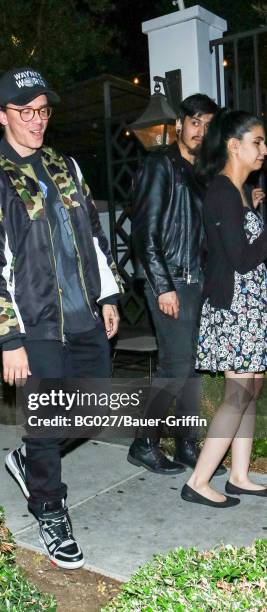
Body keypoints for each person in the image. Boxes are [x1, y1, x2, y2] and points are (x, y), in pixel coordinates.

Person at [0, 67, 122, 569]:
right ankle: (50, 508)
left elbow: (92, 236)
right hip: (35, 324)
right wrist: (8, 339)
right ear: (1, 115)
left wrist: (109, 293)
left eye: (43, 110)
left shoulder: (66, 166)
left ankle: (30, 457)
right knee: (48, 422)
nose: (36, 121)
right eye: (25, 111)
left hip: (83, 315)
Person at [128, 94, 220, 474]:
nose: (201, 131)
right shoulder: (159, 164)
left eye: (208, 125)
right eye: (195, 122)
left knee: (192, 369)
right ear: (180, 124)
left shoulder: (201, 174)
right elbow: (144, 232)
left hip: (196, 281)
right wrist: (163, 285)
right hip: (169, 280)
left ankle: (186, 444)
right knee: (175, 366)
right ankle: (143, 442)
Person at [181, 109, 267, 507]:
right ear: (234, 146)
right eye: (258, 142)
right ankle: (198, 480)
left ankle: (237, 474)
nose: (264, 149)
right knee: (237, 394)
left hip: (248, 309)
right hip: (235, 311)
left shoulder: (235, 192)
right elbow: (242, 258)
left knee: (250, 388)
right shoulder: (221, 191)